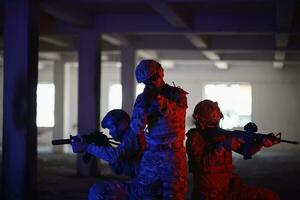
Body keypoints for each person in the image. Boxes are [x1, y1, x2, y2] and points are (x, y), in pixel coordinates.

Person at [186, 99, 280, 200]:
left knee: (268, 196)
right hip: (209, 195)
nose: (217, 126)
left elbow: (246, 151)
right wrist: (222, 146)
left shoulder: (221, 135)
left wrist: (261, 143)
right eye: (213, 123)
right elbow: (202, 166)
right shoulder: (195, 138)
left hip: (229, 190)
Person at [130, 59, 188, 199]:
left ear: (160, 74)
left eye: (152, 79)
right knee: (145, 193)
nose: (149, 84)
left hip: (172, 155)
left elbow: (175, 116)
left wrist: (157, 98)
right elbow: (136, 128)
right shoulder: (143, 99)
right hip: (152, 154)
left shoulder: (176, 95)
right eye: (146, 82)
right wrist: (143, 106)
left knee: (173, 194)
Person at [71, 109, 146, 200]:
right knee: (98, 190)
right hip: (139, 186)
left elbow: (115, 156)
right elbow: (118, 169)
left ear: (122, 125)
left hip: (147, 188)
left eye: (111, 128)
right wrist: (105, 145)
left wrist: (87, 147)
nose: (110, 132)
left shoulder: (133, 136)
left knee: (99, 192)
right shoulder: (126, 140)